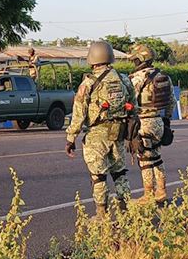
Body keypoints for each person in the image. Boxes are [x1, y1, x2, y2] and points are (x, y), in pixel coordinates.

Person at [65, 41, 137, 218]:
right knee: (120, 173)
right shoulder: (123, 79)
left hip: (97, 135)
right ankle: (124, 212)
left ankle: (101, 214)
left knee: (98, 176)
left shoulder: (88, 83)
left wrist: (71, 138)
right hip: (118, 133)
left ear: (92, 59)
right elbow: (134, 106)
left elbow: (79, 113)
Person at [127, 43, 174, 205]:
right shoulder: (164, 76)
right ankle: (162, 191)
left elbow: (128, 102)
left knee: (145, 159)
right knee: (157, 157)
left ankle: (148, 195)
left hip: (143, 123)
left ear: (140, 59)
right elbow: (171, 102)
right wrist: (166, 121)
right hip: (159, 122)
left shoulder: (136, 79)